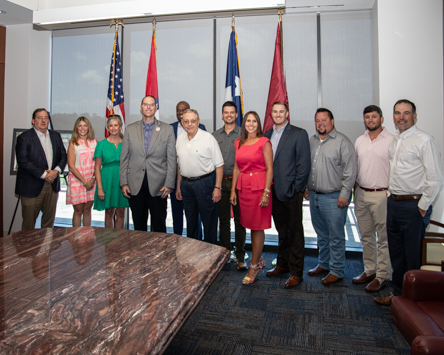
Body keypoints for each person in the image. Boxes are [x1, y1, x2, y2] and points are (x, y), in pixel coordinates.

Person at [374, 99, 443, 306]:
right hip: (394, 203)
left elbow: (436, 178)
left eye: (406, 113)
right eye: (397, 113)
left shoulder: (424, 140)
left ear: (414, 116)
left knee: (412, 256)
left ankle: (413, 302)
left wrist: (422, 207)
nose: (401, 117)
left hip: (414, 206)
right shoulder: (397, 140)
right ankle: (397, 294)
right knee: (396, 253)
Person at [304, 108, 356, 284]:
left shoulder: (343, 142)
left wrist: (345, 194)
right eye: (317, 120)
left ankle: (337, 270)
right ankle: (324, 264)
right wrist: (306, 187)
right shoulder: (311, 141)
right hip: (314, 195)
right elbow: (307, 167)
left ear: (332, 121)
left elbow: (350, 171)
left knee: (336, 235)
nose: (320, 123)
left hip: (334, 197)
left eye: (324, 120)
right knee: (321, 234)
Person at [264, 102, 311, 288]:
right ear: (271, 114)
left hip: (291, 191)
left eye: (281, 111)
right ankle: (282, 264)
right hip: (273, 190)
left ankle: (296, 272)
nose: (278, 114)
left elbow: (304, 164)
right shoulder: (267, 134)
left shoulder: (299, 134)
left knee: (295, 232)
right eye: (274, 111)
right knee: (281, 231)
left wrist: (297, 189)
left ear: (287, 113)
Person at [120, 95, 176, 232]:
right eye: (145, 104)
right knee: (139, 225)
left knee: (158, 224)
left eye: (152, 104)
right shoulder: (130, 129)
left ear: (156, 108)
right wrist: (123, 182)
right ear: (141, 107)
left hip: (159, 185)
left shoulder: (167, 129)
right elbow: (124, 157)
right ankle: (140, 253)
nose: (149, 107)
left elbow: (171, 159)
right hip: (135, 183)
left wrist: (169, 183)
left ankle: (159, 253)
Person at [353, 105, 393, 293]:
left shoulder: (392, 141)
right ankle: (370, 270)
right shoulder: (360, 141)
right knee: (366, 236)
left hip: (382, 194)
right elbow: (356, 168)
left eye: (374, 117)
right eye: (367, 117)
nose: (370, 120)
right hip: (361, 193)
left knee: (383, 239)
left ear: (381, 119)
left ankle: (383, 275)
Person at [230, 111, 273, 284]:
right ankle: (258, 258)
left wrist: (266, 192)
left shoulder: (264, 142)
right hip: (244, 190)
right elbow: (236, 168)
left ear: (259, 124)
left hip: (259, 189)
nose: (251, 124)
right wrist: (233, 191)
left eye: (254, 121)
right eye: (248, 120)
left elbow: (270, 169)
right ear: (244, 123)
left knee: (257, 227)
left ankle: (254, 265)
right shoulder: (239, 142)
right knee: (248, 226)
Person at [176, 109, 224, 244]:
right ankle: (194, 256)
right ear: (182, 122)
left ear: (198, 122)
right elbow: (179, 164)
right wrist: (179, 186)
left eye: (193, 121)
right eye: (186, 121)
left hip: (205, 184)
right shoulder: (180, 138)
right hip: (186, 185)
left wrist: (217, 188)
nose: (189, 124)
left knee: (209, 223)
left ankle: (211, 258)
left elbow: (219, 165)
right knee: (191, 222)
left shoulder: (208, 138)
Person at [15, 108, 67, 230]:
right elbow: (23, 161)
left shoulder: (56, 136)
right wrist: (45, 175)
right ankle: (28, 249)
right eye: (39, 118)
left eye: (46, 118)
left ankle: (46, 249)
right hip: (31, 186)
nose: (43, 121)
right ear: (33, 121)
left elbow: (63, 156)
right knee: (28, 226)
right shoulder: (24, 138)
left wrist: (56, 171)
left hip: (52, 185)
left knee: (48, 224)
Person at [212, 101, 247, 270]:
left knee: (240, 221)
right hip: (220, 183)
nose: (229, 115)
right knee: (224, 221)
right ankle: (225, 255)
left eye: (232, 112)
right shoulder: (214, 136)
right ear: (222, 115)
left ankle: (240, 256)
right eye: (226, 112)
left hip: (239, 184)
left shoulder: (244, 134)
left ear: (236, 114)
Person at [170, 101, 206, 238]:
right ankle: (177, 240)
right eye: (178, 110)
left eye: (183, 110)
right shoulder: (170, 128)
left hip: (195, 180)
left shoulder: (201, 127)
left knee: (194, 214)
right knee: (176, 213)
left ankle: (197, 241)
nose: (180, 112)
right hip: (176, 178)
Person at [94, 115, 129, 228]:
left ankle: (119, 241)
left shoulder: (126, 143)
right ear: (107, 128)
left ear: (120, 127)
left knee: (121, 212)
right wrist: (100, 188)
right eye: (110, 125)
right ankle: (109, 241)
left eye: (116, 125)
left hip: (122, 181)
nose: (113, 128)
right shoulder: (101, 144)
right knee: (109, 213)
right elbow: (97, 168)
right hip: (107, 181)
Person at [66, 117, 97, 227]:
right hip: (77, 181)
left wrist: (93, 179)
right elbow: (71, 166)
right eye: (80, 125)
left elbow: (98, 164)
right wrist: (84, 181)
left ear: (88, 127)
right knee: (78, 211)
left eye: (85, 125)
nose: (82, 128)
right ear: (76, 128)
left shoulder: (94, 142)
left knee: (88, 211)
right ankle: (76, 239)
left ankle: (87, 239)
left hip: (92, 182)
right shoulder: (73, 143)